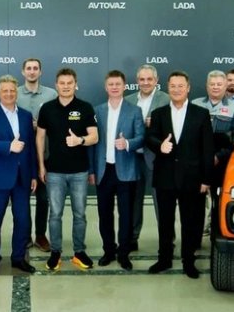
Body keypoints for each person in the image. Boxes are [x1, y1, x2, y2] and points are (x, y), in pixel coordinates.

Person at [145, 71, 214, 279]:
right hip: (165, 176)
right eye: (173, 86)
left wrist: (206, 179)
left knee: (190, 222)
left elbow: (207, 149)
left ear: (188, 88)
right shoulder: (158, 113)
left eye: (180, 86)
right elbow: (150, 137)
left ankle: (188, 261)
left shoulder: (200, 114)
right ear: (167, 88)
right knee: (165, 222)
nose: (176, 90)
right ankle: (164, 259)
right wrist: (160, 145)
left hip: (192, 178)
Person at [36, 68, 98, 271]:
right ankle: (55, 252)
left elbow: (94, 136)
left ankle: (79, 252)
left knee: (80, 214)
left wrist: (79, 140)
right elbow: (40, 138)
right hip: (54, 172)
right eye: (62, 83)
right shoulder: (47, 108)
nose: (65, 86)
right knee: (55, 214)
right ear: (56, 85)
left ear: (75, 84)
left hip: (79, 171)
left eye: (69, 83)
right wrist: (41, 165)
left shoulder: (85, 107)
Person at [0, 75, 38, 276]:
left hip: (22, 177)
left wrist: (33, 175)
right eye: (5, 90)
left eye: (12, 90)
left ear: (17, 92)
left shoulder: (26, 116)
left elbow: (30, 148)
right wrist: (8, 146)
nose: (9, 94)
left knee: (23, 220)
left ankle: (18, 258)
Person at [89, 71, 144, 271]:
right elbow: (92, 144)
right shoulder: (98, 111)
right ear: (106, 87)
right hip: (103, 171)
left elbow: (141, 137)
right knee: (104, 215)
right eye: (111, 84)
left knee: (126, 215)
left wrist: (127, 143)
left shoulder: (135, 110)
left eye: (118, 84)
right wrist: (92, 170)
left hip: (126, 170)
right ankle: (108, 251)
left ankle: (123, 254)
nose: (114, 87)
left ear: (124, 86)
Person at [124, 64, 170, 252]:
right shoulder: (127, 100)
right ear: (137, 81)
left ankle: (167, 241)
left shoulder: (166, 99)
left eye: (149, 79)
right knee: (133, 201)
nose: (145, 82)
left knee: (162, 202)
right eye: (142, 79)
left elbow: (173, 128)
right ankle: (132, 239)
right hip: (132, 159)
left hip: (157, 159)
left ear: (156, 81)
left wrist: (156, 123)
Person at [192, 71, 234, 236]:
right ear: (207, 86)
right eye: (212, 84)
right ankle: (194, 239)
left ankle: (216, 235)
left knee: (218, 201)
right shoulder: (195, 104)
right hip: (197, 162)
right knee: (195, 203)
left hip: (220, 163)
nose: (215, 87)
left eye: (219, 84)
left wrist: (219, 156)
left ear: (225, 86)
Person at [17, 58, 57, 252]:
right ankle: (24, 236)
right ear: (23, 72)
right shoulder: (14, 93)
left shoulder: (51, 94)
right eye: (29, 68)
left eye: (35, 68)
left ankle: (40, 235)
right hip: (21, 156)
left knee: (43, 199)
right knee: (22, 199)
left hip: (44, 154)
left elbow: (57, 122)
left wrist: (41, 126)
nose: (32, 71)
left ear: (40, 72)